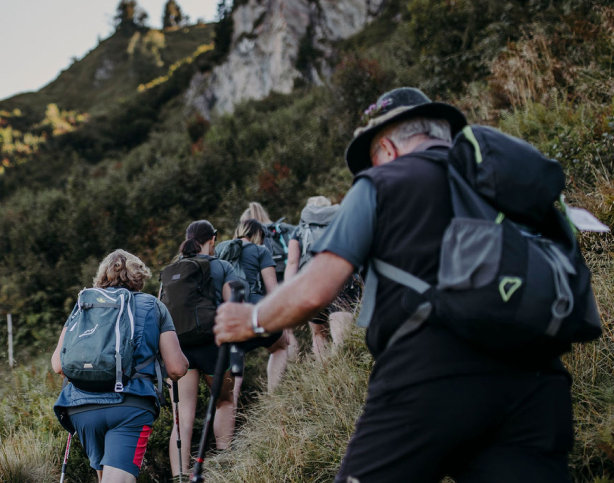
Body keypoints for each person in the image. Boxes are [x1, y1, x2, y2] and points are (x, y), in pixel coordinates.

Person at [213, 87, 575, 482]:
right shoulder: (503, 180)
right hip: (536, 380)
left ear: (385, 147)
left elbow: (315, 289)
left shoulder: (383, 182)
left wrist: (252, 318)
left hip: (426, 379)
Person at [52, 249, 189, 483]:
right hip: (130, 406)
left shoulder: (84, 305)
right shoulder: (152, 306)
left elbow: (58, 365)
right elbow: (176, 368)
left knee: (105, 477)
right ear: (139, 276)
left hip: (82, 408)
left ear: (102, 275)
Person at [165, 220, 244, 478]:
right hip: (213, 346)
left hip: (179, 348)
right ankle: (223, 463)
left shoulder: (171, 271)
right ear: (213, 239)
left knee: (183, 416)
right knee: (224, 400)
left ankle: (180, 476)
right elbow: (234, 304)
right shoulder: (221, 266)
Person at [218, 219, 290, 393]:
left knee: (236, 357)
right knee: (281, 346)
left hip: (228, 315)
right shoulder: (261, 251)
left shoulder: (220, 249)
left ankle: (231, 407)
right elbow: (273, 291)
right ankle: (274, 397)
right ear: (258, 235)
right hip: (254, 312)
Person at [284, 196, 359, 358]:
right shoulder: (340, 222)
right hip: (341, 279)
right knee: (341, 333)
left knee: (319, 335)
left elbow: (291, 263)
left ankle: (324, 375)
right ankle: (341, 373)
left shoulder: (299, 230)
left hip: (312, 282)